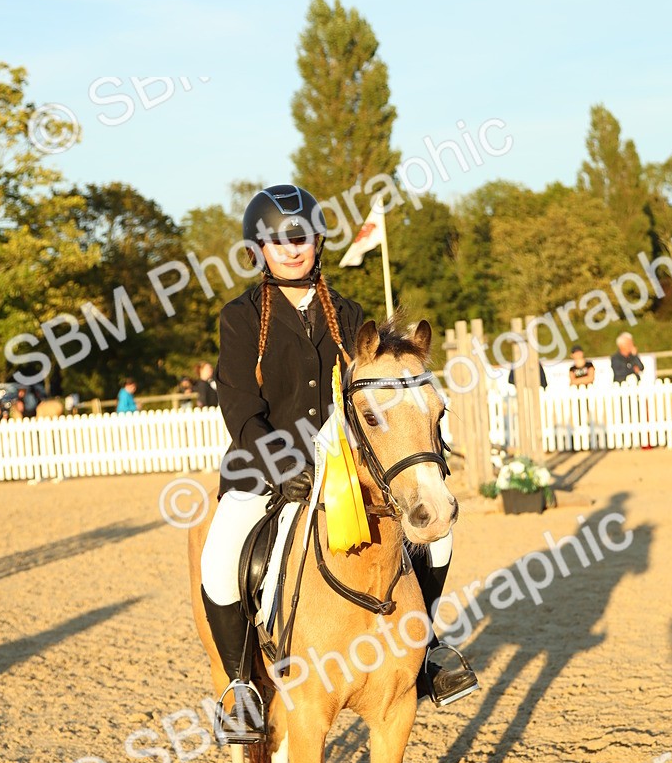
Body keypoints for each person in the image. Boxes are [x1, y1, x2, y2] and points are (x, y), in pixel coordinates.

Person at [198, 183, 476, 734]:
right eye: (280, 241)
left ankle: (429, 651)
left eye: (302, 237)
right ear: (259, 249)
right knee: (220, 554)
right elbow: (240, 410)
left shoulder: (351, 315)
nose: (293, 248)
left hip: (347, 467)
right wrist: (286, 466)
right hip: (263, 466)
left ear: (318, 243)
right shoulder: (239, 318)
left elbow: (378, 394)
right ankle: (241, 685)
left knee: (436, 531)